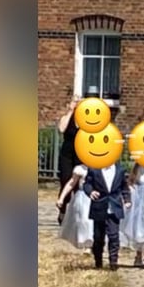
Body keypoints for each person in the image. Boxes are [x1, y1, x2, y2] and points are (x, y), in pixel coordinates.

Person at [83, 159, 132, 271]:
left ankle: (113, 262)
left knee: (114, 236)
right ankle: (98, 261)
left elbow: (124, 187)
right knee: (98, 237)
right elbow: (87, 184)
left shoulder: (120, 170)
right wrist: (90, 191)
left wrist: (127, 199)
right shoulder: (94, 169)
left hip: (114, 207)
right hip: (99, 206)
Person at [56, 94, 81, 224]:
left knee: (78, 183)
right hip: (67, 153)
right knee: (66, 179)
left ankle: (76, 212)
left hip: (81, 153)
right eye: (75, 102)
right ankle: (63, 209)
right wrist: (70, 111)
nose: (77, 104)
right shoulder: (67, 117)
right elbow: (61, 129)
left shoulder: (86, 119)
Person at [56, 163, 93, 250]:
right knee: (84, 220)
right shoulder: (80, 169)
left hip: (96, 197)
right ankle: (86, 243)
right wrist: (61, 198)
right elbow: (71, 183)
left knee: (94, 222)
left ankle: (92, 244)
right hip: (83, 197)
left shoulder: (103, 168)